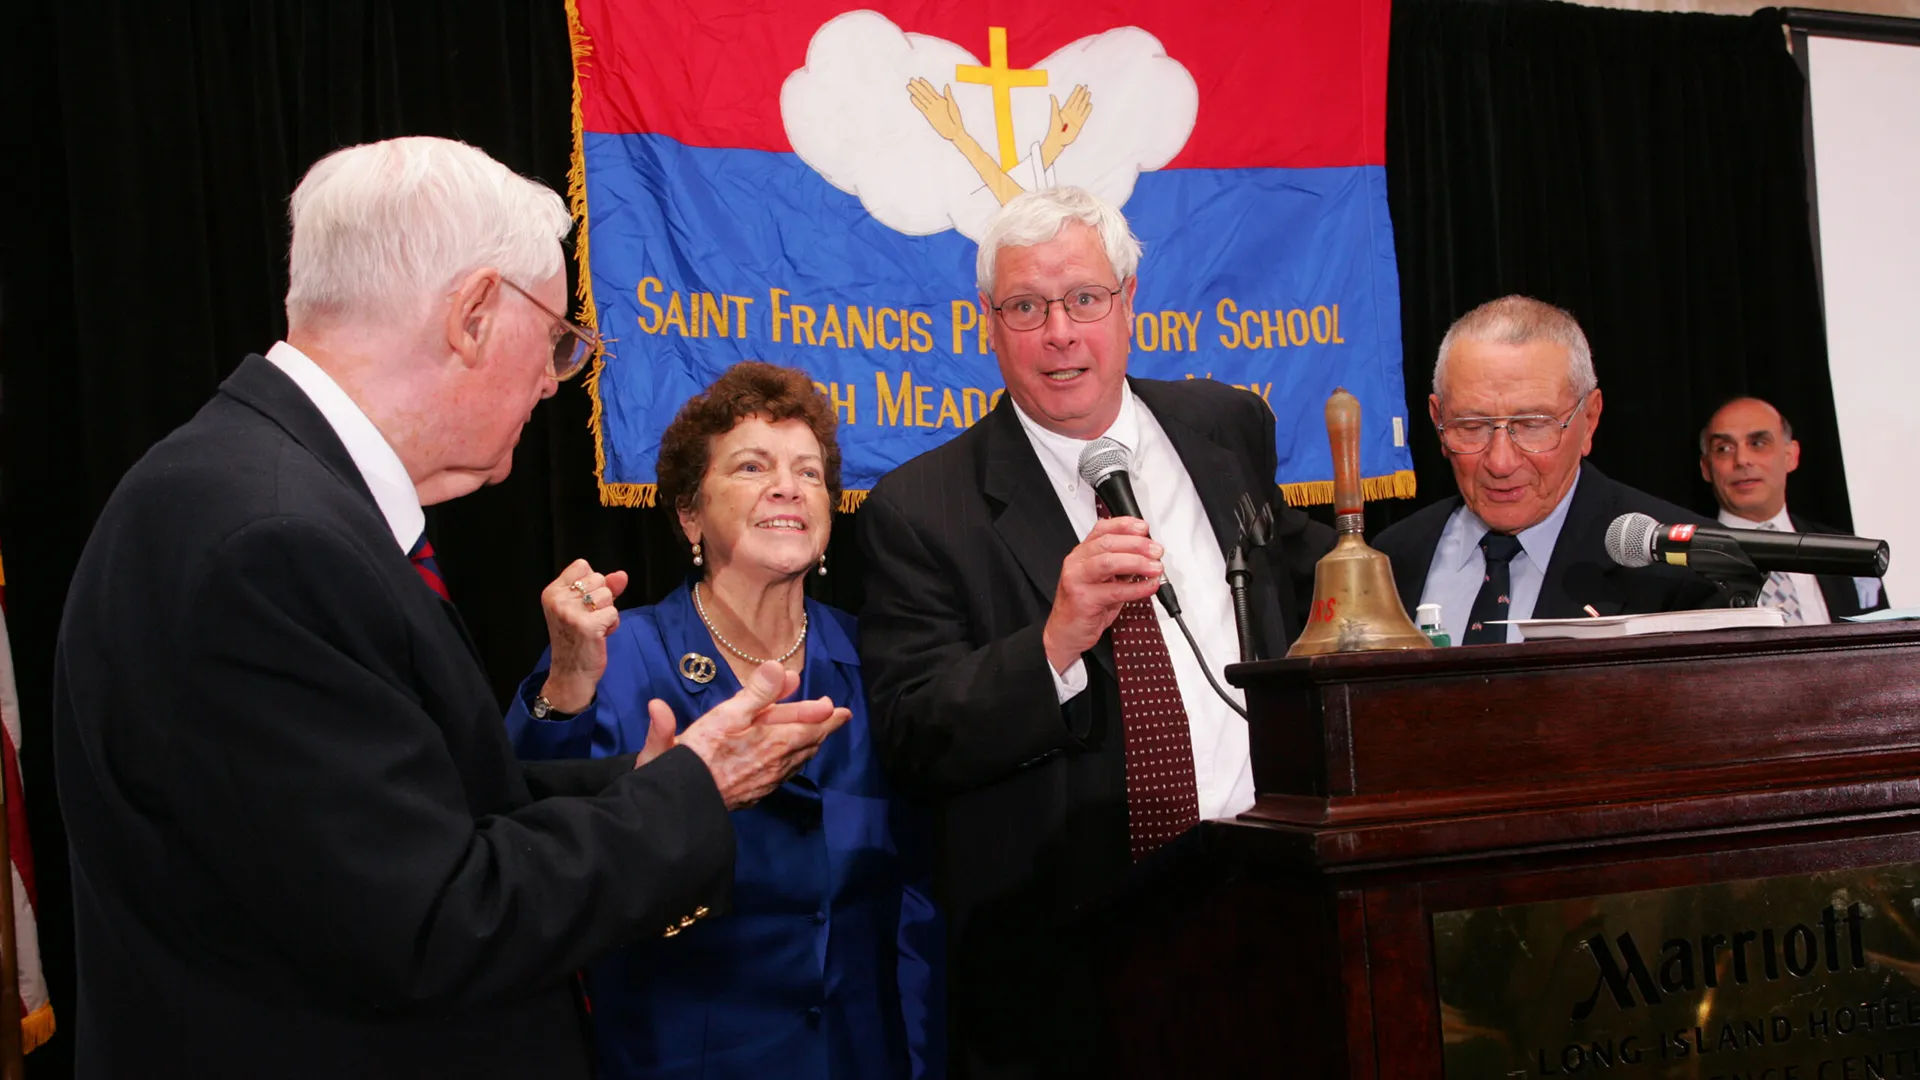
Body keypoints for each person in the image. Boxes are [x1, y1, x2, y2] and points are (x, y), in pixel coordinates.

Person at [51, 136, 850, 1079]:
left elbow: (412, 814)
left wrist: (640, 781)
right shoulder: (272, 543)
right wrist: (693, 790)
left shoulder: (255, 490)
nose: (556, 382)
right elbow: (434, 920)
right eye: (556, 339)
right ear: (474, 315)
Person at [855, 186, 1332, 1078]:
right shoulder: (921, 510)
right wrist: (1054, 641)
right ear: (988, 324)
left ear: (1128, 301)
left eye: (1084, 299)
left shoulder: (1228, 429)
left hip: (1271, 914)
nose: (1060, 333)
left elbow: (1296, 599)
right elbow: (915, 736)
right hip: (1069, 971)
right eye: (1026, 308)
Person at [508, 361, 942, 1079]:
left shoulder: (878, 660)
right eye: (752, 466)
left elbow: (921, 902)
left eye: (809, 474)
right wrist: (564, 685)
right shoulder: (618, 656)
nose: (788, 487)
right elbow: (524, 832)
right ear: (689, 513)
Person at [1373, 295, 1718, 643]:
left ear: (1590, 419)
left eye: (1533, 425)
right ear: (1438, 421)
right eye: (1471, 426)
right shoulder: (1392, 560)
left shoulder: (1684, 566)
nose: (1500, 462)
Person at [1698, 395, 1887, 622]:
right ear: (1706, 468)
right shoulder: (1684, 561)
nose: (1742, 459)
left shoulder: (1847, 553)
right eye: (1724, 448)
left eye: (1758, 443)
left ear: (1791, 456)